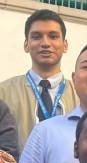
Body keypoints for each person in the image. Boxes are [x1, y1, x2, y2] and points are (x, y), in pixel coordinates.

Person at [0, 9, 78, 153]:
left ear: (65, 45)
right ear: (26, 44)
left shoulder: (81, 95)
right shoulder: (3, 93)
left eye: (53, 36)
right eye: (37, 37)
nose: (45, 43)